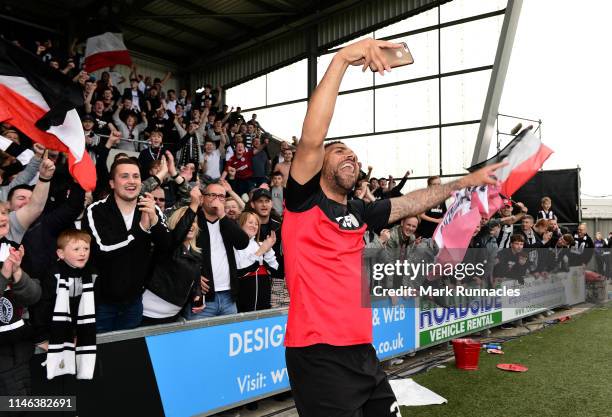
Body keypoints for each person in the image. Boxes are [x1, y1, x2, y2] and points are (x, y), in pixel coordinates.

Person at [282, 37, 504, 417]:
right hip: (318, 355)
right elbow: (312, 136)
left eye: (353, 152)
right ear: (318, 165)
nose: (350, 154)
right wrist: (341, 61)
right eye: (339, 152)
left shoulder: (359, 211)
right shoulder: (302, 201)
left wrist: (462, 183)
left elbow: (409, 203)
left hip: (362, 352)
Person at [82, 159, 170, 332]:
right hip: (101, 303)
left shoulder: (151, 208)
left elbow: (167, 247)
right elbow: (104, 250)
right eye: (125, 176)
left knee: (128, 356)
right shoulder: (95, 210)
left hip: (135, 302)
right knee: (100, 356)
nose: (131, 181)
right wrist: (141, 230)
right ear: (112, 183)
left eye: (136, 176)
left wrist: (154, 222)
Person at [30, 229, 97, 380]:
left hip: (75, 335)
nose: (83, 253)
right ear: (61, 254)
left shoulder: (92, 273)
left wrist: (77, 334)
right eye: (76, 249)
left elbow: (91, 309)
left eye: (86, 248)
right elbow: (42, 308)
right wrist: (42, 338)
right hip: (50, 333)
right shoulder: (53, 274)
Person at [181, 181, 250, 319]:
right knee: (199, 338)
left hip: (228, 297)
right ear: (202, 198)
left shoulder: (227, 222)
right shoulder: (193, 221)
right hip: (203, 298)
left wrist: (222, 216)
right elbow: (177, 251)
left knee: (229, 338)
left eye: (221, 196)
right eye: (212, 195)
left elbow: (242, 243)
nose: (217, 199)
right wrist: (193, 275)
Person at [0, 203, 41, 396]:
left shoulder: (11, 250)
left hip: (19, 349)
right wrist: (5, 273)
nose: (3, 218)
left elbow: (34, 296)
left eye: (4, 212)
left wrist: (17, 273)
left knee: (20, 405)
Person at [142, 205, 202, 325]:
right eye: (187, 220)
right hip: (147, 315)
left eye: (194, 221)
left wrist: (197, 294)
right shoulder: (166, 246)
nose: (191, 224)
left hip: (172, 318)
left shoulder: (196, 254)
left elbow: (192, 281)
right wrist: (195, 203)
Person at [234, 212, 278, 312]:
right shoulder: (235, 246)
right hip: (244, 299)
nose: (254, 226)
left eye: (256, 224)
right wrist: (261, 251)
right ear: (241, 224)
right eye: (250, 222)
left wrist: (267, 249)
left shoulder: (260, 244)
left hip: (264, 299)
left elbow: (274, 268)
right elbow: (242, 271)